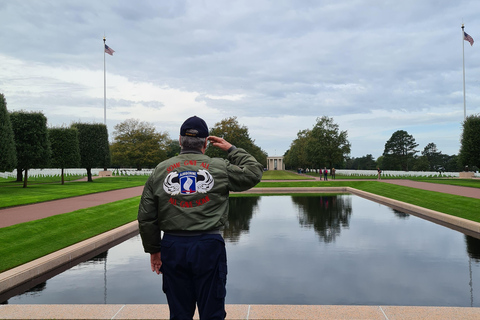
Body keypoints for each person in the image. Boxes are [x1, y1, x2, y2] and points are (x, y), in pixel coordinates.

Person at [137, 116, 263, 320]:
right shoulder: (219, 167)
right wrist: (231, 149)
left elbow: (146, 217)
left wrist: (154, 250)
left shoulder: (160, 169)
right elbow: (254, 172)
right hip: (208, 246)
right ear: (206, 143)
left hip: (172, 246)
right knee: (212, 313)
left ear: (180, 141)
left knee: (179, 314)